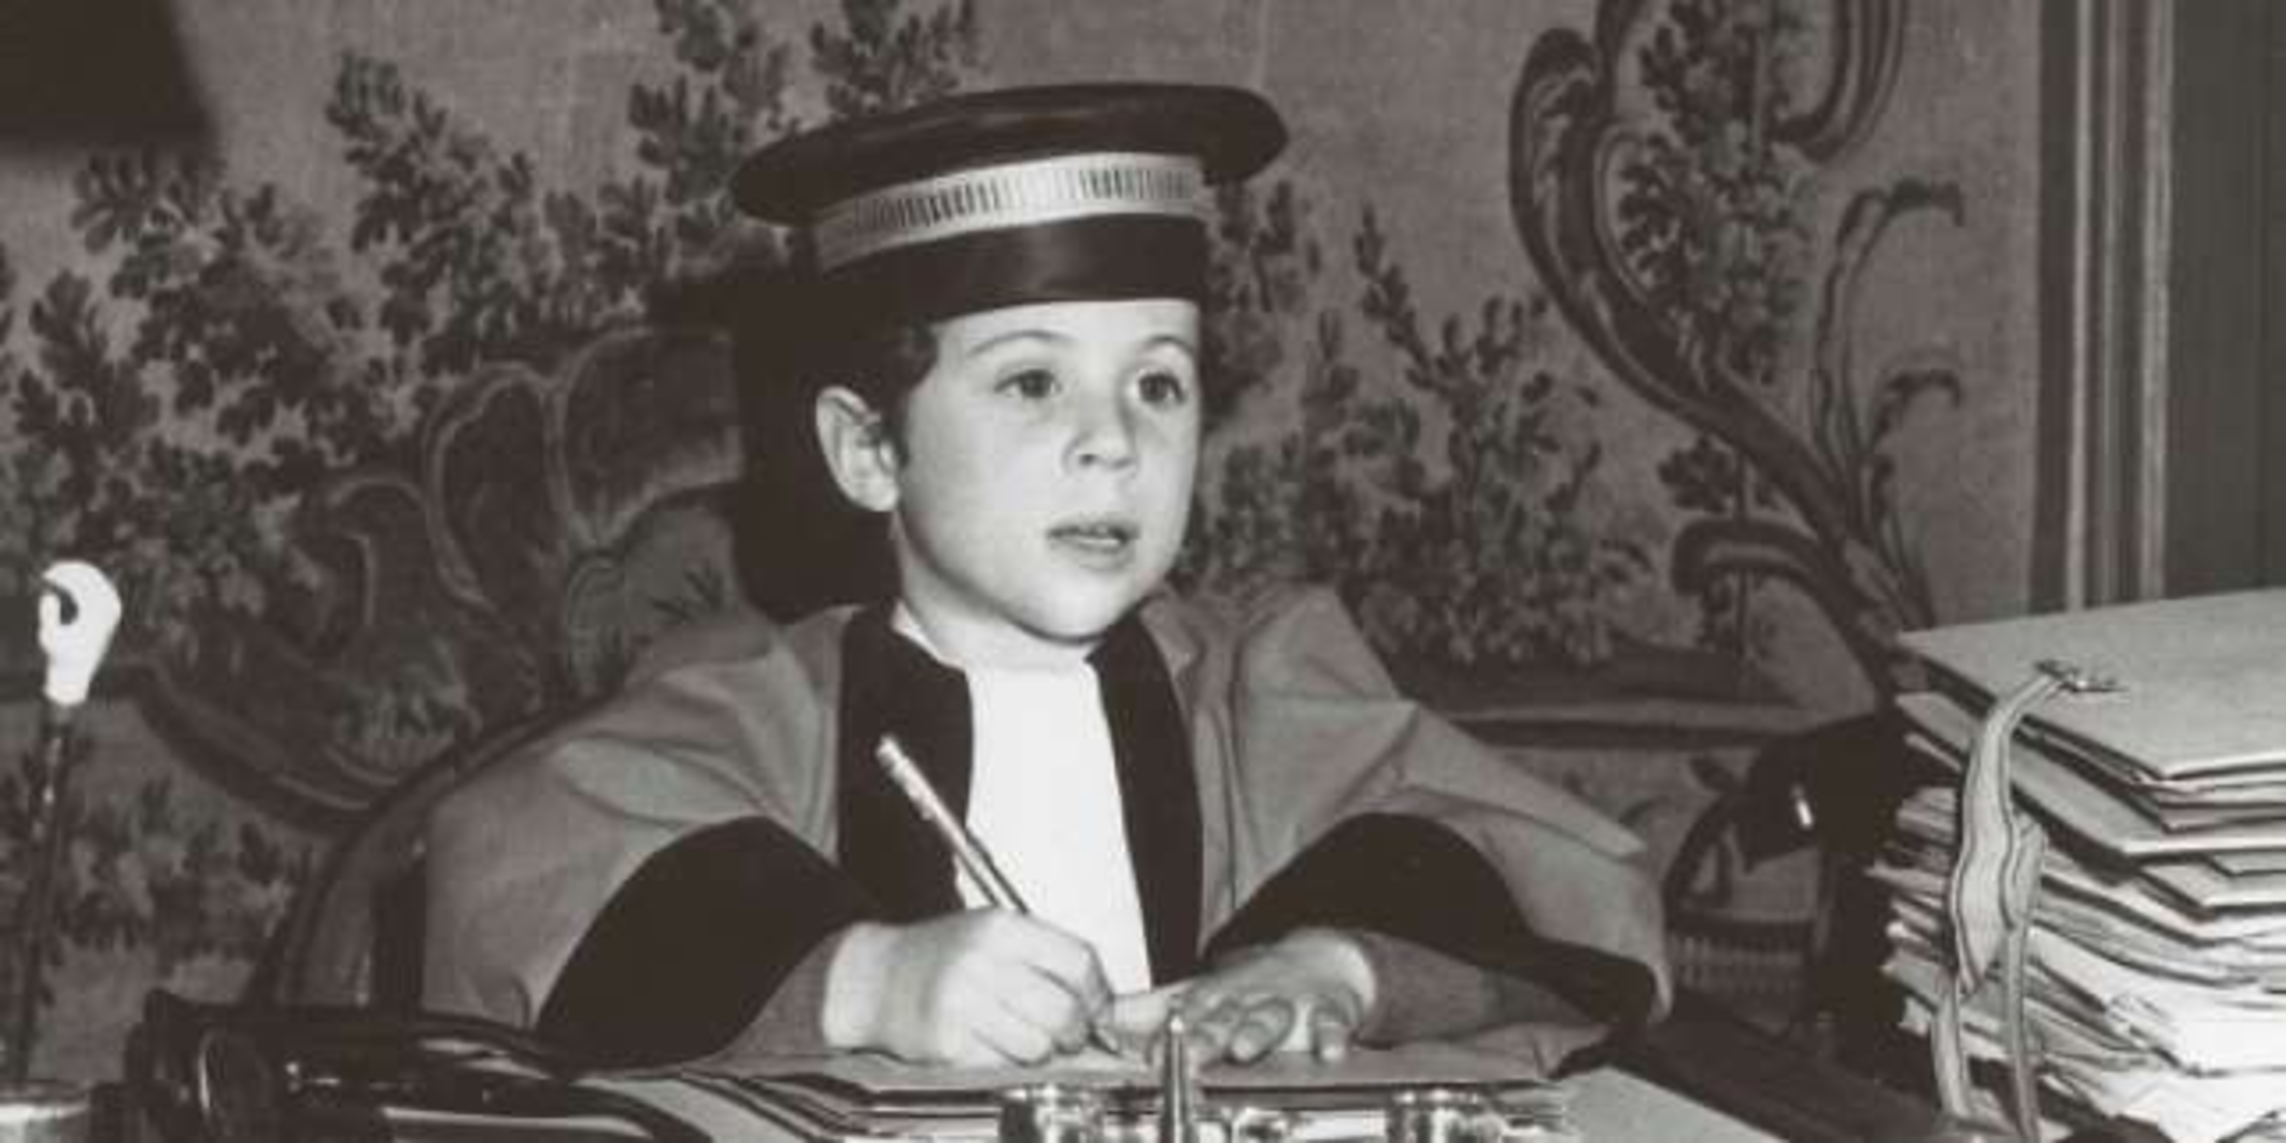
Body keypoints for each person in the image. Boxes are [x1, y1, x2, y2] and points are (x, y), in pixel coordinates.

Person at [422, 82, 1669, 1074]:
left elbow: (1559, 872)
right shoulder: (764, 705)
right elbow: (512, 861)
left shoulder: (1263, 693)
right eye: (1031, 382)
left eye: (1158, 383)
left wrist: (1337, 969)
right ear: (869, 450)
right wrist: (865, 981)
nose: (1113, 442)